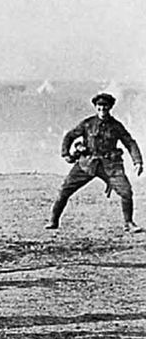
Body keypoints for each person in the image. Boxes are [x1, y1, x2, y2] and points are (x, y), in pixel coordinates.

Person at [46, 92, 144, 233]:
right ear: (95, 107)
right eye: (99, 106)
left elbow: (129, 142)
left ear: (110, 107)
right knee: (64, 190)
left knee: (126, 192)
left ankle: (129, 223)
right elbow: (70, 135)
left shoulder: (116, 126)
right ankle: (53, 220)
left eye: (105, 106)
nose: (102, 109)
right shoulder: (87, 123)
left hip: (110, 166)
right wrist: (65, 154)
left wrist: (138, 162)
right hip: (87, 164)